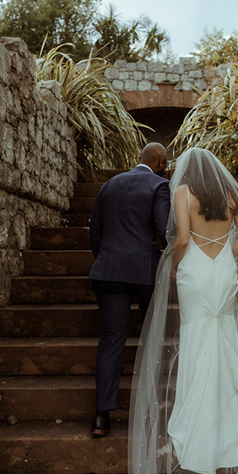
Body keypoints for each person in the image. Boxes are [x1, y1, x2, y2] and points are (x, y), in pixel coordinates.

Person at [127, 147, 238, 474]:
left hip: (195, 270)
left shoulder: (183, 191)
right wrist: (224, 257)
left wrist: (174, 264)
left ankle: (195, 418)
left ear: (187, 170)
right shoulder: (230, 194)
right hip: (222, 271)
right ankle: (224, 420)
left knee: (197, 332)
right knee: (219, 331)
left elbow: (181, 239)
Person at [88, 142, 169, 437]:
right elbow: (163, 230)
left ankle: (101, 417)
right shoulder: (160, 186)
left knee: (111, 339)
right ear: (160, 162)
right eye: (167, 163)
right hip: (145, 273)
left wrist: (108, 259)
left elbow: (94, 232)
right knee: (151, 334)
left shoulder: (109, 185)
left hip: (108, 272)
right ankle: (150, 410)